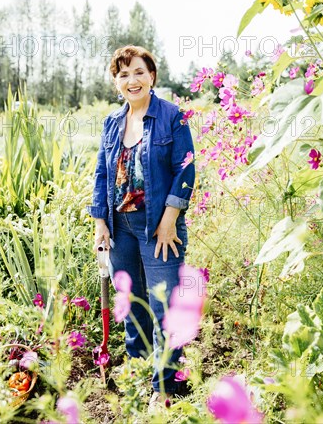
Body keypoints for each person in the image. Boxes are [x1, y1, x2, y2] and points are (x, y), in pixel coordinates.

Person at [87, 45, 195, 408]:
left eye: (138, 72)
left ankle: (165, 387)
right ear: (116, 82)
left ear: (151, 76)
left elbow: (186, 169)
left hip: (158, 225)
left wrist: (170, 221)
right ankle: (138, 374)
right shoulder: (112, 123)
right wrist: (101, 222)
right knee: (131, 304)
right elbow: (102, 173)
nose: (131, 80)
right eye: (123, 74)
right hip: (120, 228)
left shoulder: (171, 117)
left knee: (164, 306)